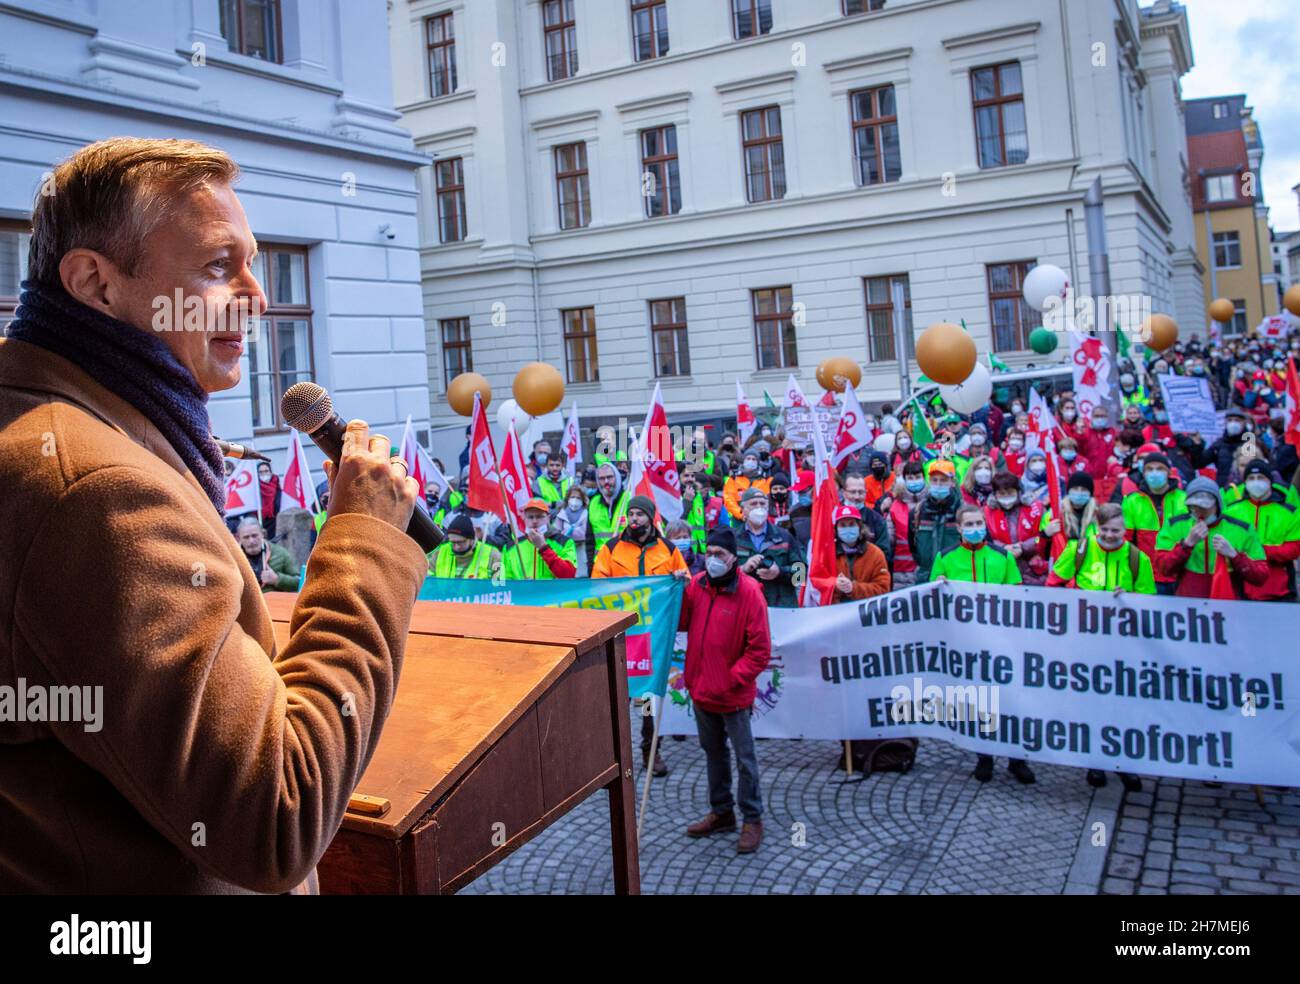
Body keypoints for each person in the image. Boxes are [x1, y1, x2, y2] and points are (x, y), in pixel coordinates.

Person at [0, 136, 425, 893]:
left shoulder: (46, 421)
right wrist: (366, 542)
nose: (258, 297)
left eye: (254, 263)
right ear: (95, 283)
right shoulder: (94, 490)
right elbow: (274, 816)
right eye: (218, 266)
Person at [681, 528, 772, 855]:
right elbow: (680, 621)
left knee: (744, 758)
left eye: (721, 555)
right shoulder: (697, 585)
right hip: (702, 690)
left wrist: (733, 678)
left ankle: (752, 817)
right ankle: (722, 812)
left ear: (734, 558)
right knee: (713, 754)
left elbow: (760, 650)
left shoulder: (749, 593)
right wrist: (674, 591)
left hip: (732, 695)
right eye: (711, 553)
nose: (714, 559)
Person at [930, 505, 1033, 785]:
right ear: (960, 528)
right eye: (969, 524)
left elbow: (1017, 595)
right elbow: (932, 601)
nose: (975, 528)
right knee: (978, 701)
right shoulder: (946, 557)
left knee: (1010, 700)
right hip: (967, 644)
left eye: (979, 523)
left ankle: (1016, 759)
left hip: (1002, 640)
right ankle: (984, 756)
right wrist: (938, 586)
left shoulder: (1002, 556)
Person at [592, 494, 690, 776]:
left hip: (652, 635)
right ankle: (612, 757)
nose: (634, 519)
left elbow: (683, 580)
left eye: (639, 514)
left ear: (650, 518)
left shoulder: (668, 549)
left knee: (649, 696)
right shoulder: (610, 549)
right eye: (631, 514)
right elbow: (598, 586)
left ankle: (651, 750)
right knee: (617, 694)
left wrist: (682, 580)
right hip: (620, 633)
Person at [1155, 477, 1268, 599]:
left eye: (1204, 507)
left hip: (1227, 602)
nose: (1198, 511)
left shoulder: (1242, 529)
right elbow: (1163, 569)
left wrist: (1235, 556)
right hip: (1188, 604)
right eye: (1193, 506)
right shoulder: (1174, 525)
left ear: (1217, 504)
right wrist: (1186, 545)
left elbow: (1261, 576)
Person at [1223, 459, 1300, 601]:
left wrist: (1259, 551)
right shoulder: (1231, 510)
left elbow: (1294, 549)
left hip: (1279, 588)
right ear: (1244, 482)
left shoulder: (1290, 512)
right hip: (1241, 586)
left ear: (1270, 481)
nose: (1256, 482)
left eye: (1260, 478)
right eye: (1251, 478)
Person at [1119, 452, 1184, 595]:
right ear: (1143, 472)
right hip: (1146, 576)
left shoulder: (1184, 499)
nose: (1155, 473)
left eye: (1160, 468)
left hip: (1179, 575)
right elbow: (1125, 543)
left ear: (1168, 472)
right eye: (1150, 469)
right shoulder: (1132, 501)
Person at [734, 487, 799, 607]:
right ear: (743, 509)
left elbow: (801, 576)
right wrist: (743, 569)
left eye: (762, 503)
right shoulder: (733, 539)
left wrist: (779, 572)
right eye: (753, 504)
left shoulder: (785, 536)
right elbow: (721, 577)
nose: (759, 507)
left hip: (781, 609)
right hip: (746, 608)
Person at [985, 471, 1046, 584]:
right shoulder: (987, 512)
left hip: (1032, 569)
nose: (1006, 496)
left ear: (1019, 492)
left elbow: (1042, 536)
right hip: (1001, 568)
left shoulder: (1036, 509)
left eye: (1010, 492)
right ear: (995, 494)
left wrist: (1023, 547)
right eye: (1002, 493)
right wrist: (1003, 547)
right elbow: (986, 538)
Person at [910, 459, 962, 581]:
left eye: (943, 480)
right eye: (934, 480)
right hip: (925, 577)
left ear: (953, 482)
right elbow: (914, 547)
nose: (938, 484)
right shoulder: (917, 511)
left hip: (956, 578)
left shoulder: (962, 511)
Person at [502, 498, 577, 580]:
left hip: (552, 592)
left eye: (539, 516)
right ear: (524, 518)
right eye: (530, 517)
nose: (534, 521)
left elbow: (568, 575)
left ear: (548, 518)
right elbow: (505, 582)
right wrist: (521, 586)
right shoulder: (510, 547)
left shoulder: (564, 542)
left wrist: (543, 548)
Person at [831, 505, 891, 600]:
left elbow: (883, 588)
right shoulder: (828, 554)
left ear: (860, 527)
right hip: (837, 611)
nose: (847, 529)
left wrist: (854, 588)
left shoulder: (875, 554)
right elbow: (817, 583)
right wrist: (835, 585)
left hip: (866, 611)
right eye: (843, 525)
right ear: (836, 529)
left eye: (851, 524)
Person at [882, 460, 926, 588]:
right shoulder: (895, 506)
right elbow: (889, 539)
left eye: (918, 477)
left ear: (924, 478)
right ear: (904, 480)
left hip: (928, 568)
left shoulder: (932, 503)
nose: (914, 480)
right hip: (902, 571)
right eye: (910, 478)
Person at [1042, 472, 1099, 564]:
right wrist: (1045, 534)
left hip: (1091, 566)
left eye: (1084, 489)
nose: (1079, 493)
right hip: (1063, 565)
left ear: (1090, 493)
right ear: (1068, 491)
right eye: (1075, 489)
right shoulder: (1054, 514)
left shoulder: (1099, 515)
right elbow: (1040, 548)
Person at [236, 513, 299, 592]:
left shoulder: (280, 553)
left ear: (262, 534)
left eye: (254, 535)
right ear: (239, 538)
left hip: (274, 602)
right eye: (246, 537)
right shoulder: (233, 557)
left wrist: (277, 579)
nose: (251, 541)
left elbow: (299, 583)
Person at [429, 513, 502, 579]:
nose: (456, 546)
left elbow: (501, 587)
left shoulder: (493, 555)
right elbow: (428, 582)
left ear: (471, 540)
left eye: (460, 542)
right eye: (453, 542)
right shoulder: (439, 553)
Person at [587, 462, 628, 568]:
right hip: (600, 565)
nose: (606, 482)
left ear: (617, 477)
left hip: (625, 565)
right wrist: (591, 567)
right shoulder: (593, 503)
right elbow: (590, 540)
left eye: (609, 477)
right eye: (601, 478)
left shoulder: (629, 499)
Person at [723, 448, 772, 523]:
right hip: (739, 519)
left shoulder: (766, 479)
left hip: (761, 517)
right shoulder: (734, 478)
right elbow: (728, 499)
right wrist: (741, 514)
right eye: (748, 458)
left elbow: (768, 500)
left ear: (758, 462)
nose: (751, 461)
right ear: (744, 461)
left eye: (753, 459)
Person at [554, 486, 591, 577]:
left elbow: (583, 534)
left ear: (583, 500)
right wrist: (574, 530)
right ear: (568, 499)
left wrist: (567, 532)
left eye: (578, 498)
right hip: (565, 553)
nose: (575, 500)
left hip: (582, 554)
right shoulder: (561, 514)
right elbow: (556, 535)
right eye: (572, 497)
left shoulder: (587, 514)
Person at [257, 460, 282, 540]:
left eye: (266, 471)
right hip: (261, 524)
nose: (264, 473)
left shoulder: (278, 488)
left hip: (276, 524)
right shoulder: (255, 491)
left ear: (271, 472)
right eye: (260, 472)